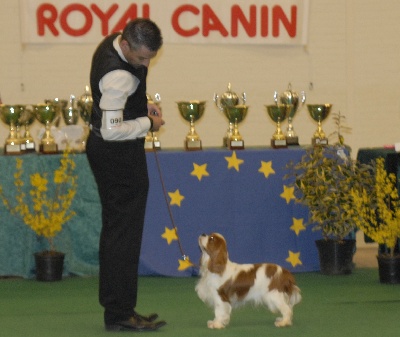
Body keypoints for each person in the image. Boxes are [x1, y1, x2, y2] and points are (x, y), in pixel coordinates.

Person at [86, 18, 166, 332]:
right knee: (123, 235)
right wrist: (149, 124)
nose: (145, 64)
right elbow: (111, 130)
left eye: (150, 58)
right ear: (126, 44)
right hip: (116, 156)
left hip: (112, 154)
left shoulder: (113, 44)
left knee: (120, 232)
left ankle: (121, 308)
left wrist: (139, 105)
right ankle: (119, 313)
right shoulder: (118, 75)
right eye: (142, 58)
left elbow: (116, 109)